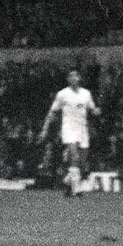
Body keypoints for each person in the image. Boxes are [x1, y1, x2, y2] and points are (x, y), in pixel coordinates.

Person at [39, 67, 100, 197]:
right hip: (69, 128)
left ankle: (68, 181)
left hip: (82, 129)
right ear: (68, 79)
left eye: (76, 76)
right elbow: (52, 112)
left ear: (79, 78)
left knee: (82, 161)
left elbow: (92, 108)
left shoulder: (86, 93)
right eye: (71, 76)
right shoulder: (62, 94)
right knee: (74, 156)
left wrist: (96, 111)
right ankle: (76, 189)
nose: (73, 78)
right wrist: (45, 128)